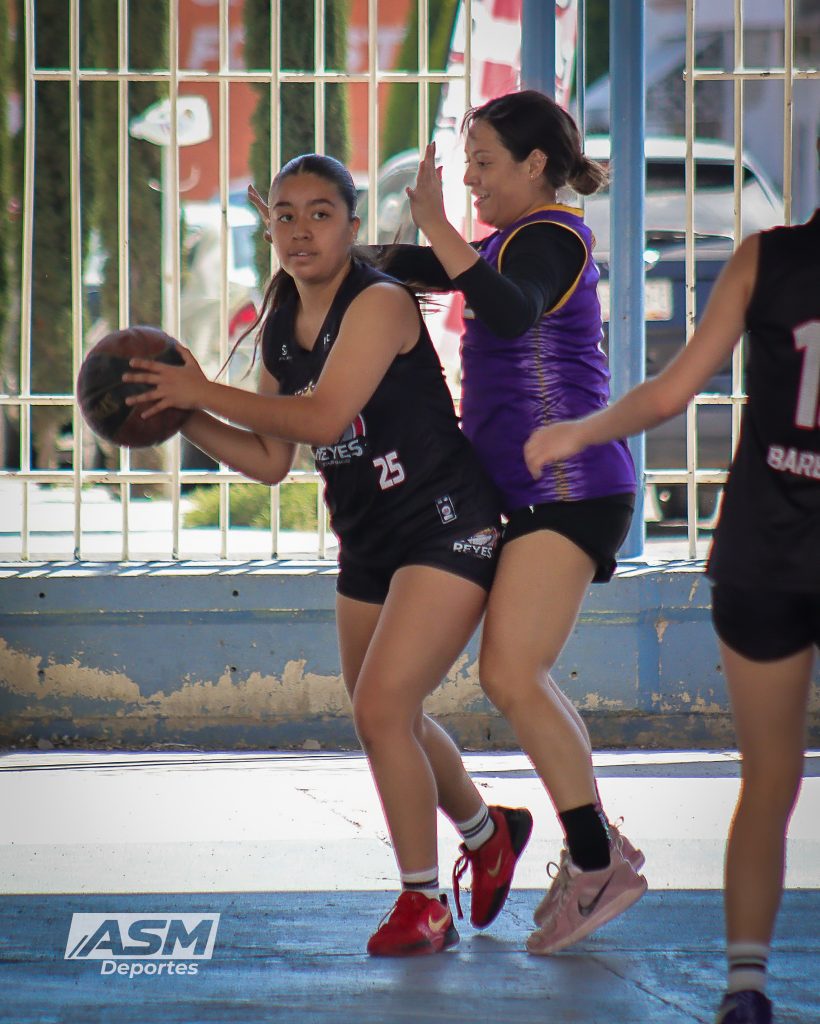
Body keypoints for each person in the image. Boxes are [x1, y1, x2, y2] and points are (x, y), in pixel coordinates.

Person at [249, 90, 648, 953]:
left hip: (569, 486)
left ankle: (596, 863)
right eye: (466, 164)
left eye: (484, 163)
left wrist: (433, 224)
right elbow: (403, 268)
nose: (470, 179)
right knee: (513, 677)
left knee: (510, 673)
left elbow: (509, 308)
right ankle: (591, 849)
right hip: (532, 492)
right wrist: (310, 233)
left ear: (535, 165)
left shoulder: (553, 237)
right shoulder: (501, 245)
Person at [123, 153, 535, 957]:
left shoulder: (378, 303)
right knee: (389, 714)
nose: (301, 229)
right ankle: (489, 835)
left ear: (352, 226)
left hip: (446, 523)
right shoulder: (280, 324)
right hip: (370, 540)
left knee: (380, 709)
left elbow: (323, 418)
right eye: (285, 214)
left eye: (320, 213)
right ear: (268, 227)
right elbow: (271, 460)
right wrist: (177, 412)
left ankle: (423, 903)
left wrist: (201, 391)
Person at [525, 209, 820, 1024]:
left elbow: (671, 392)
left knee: (769, 782)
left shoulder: (766, 258)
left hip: (762, 556)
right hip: (768, 559)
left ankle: (745, 988)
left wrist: (581, 432)